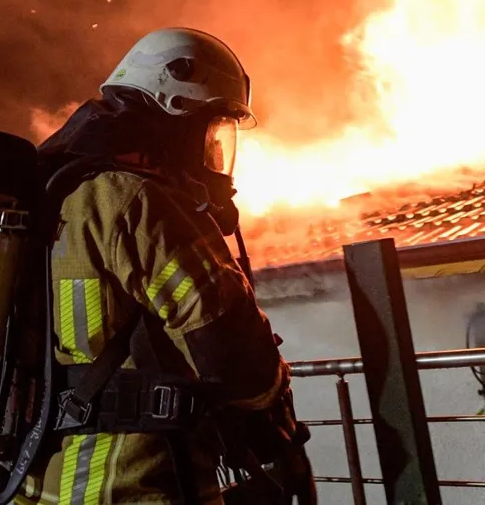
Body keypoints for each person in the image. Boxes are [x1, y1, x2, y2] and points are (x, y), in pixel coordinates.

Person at [16, 27, 312, 505]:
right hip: (132, 488)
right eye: (212, 132)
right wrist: (281, 434)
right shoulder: (142, 202)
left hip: (34, 483)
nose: (215, 155)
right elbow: (238, 360)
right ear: (177, 115)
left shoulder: (51, 195)